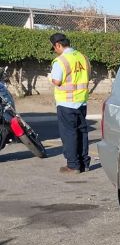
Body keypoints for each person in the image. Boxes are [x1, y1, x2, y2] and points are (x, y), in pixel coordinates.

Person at [48, 33, 92, 173]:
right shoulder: (83, 57)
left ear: (58, 45)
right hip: (81, 102)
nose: (55, 51)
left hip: (66, 103)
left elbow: (57, 81)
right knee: (82, 132)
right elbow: (88, 75)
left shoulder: (60, 61)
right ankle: (84, 164)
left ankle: (73, 165)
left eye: (54, 48)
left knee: (69, 134)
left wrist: (49, 77)